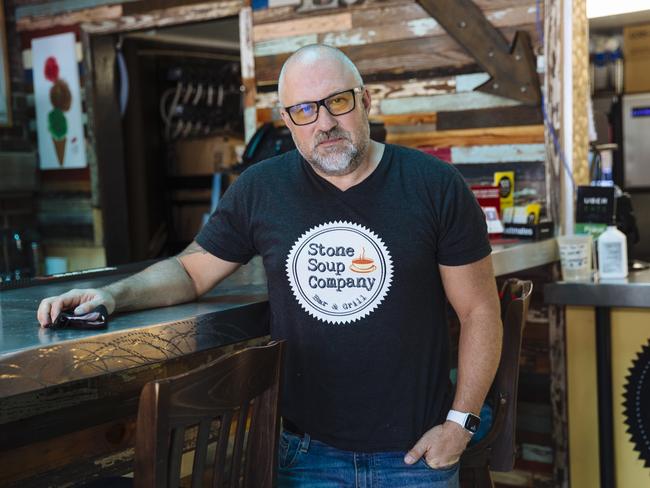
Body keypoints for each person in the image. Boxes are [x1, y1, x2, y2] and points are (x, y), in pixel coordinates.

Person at [37, 44, 502, 487]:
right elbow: (190, 270)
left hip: (416, 454)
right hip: (305, 454)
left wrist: (460, 425)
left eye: (337, 101)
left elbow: (480, 312)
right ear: (287, 120)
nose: (323, 122)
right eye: (304, 110)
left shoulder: (434, 185)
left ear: (364, 100)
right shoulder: (262, 189)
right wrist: (114, 295)